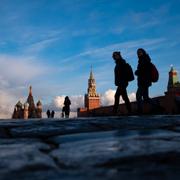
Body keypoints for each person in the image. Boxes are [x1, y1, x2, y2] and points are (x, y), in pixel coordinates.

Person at [135, 48, 153, 114]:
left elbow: (144, 71)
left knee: (138, 95)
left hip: (144, 81)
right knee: (146, 98)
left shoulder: (144, 60)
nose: (138, 53)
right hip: (144, 81)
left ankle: (140, 111)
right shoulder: (142, 60)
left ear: (143, 52)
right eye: (137, 52)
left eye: (140, 52)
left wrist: (137, 72)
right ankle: (157, 105)